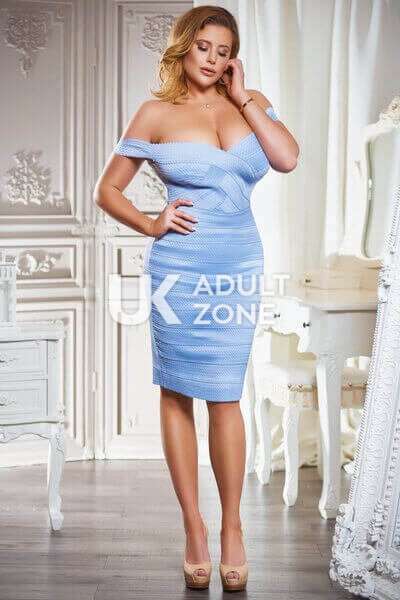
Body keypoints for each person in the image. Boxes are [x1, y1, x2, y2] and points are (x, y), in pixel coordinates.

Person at [94, 4, 299, 592]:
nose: (212, 58)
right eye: (203, 46)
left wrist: (245, 98)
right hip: (179, 271)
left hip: (238, 266)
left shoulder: (249, 102)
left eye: (223, 50)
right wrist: (150, 223)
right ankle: (194, 527)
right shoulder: (156, 112)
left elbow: (286, 158)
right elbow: (108, 190)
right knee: (177, 392)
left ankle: (233, 525)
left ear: (234, 58)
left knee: (226, 395)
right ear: (184, 46)